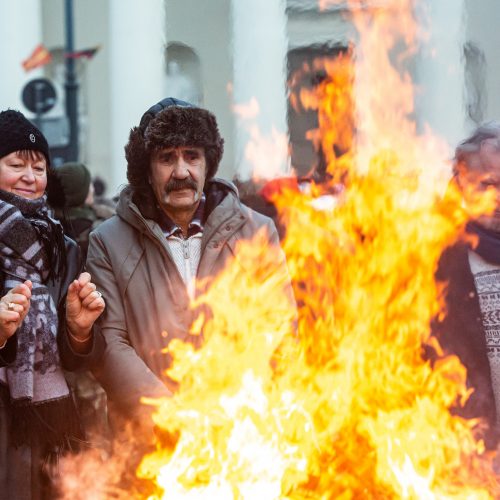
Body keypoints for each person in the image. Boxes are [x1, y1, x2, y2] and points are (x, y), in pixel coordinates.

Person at [86, 97, 295, 423]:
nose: (181, 171)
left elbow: (281, 328)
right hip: (148, 443)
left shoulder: (257, 231)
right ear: (147, 170)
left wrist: (247, 408)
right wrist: (170, 417)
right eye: (166, 158)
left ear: (207, 165)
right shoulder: (107, 242)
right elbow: (111, 343)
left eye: (192, 156)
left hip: (242, 435)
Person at [0, 109, 106, 499]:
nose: (30, 177)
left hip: (52, 424)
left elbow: (76, 360)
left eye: (39, 167)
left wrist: (80, 331)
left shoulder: (64, 246)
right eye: (16, 164)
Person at [432, 121, 500, 450]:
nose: (498, 198)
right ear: (461, 183)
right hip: (467, 459)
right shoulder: (436, 264)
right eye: (486, 185)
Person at [52, 162, 115, 258]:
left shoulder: (53, 224)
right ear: (79, 193)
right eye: (89, 184)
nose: (93, 189)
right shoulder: (98, 228)